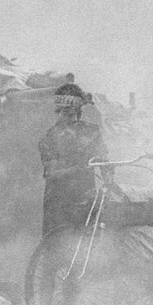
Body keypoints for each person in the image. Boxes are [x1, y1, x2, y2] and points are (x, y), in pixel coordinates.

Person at [38, 82, 109, 237]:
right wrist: (80, 167)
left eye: (72, 114)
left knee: (87, 239)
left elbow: (104, 158)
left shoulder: (91, 132)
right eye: (64, 113)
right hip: (58, 201)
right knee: (55, 241)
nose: (68, 120)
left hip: (85, 197)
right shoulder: (49, 138)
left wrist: (107, 175)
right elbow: (51, 171)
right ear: (58, 112)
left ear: (79, 112)